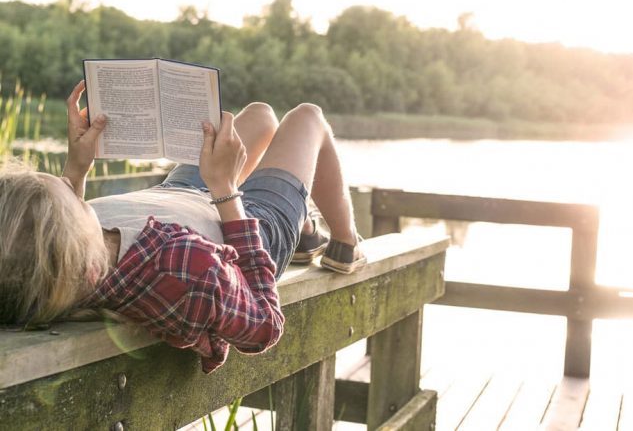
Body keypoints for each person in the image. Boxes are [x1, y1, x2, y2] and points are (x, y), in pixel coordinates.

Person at [0, 81, 365, 373]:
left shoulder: (69, 265)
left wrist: (77, 167)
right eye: (67, 194)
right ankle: (345, 243)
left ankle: (304, 225)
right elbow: (265, 325)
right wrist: (224, 189)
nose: (66, 185)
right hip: (244, 221)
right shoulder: (181, 266)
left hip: (181, 194)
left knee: (260, 117)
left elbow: (61, 242)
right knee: (307, 117)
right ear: (84, 252)